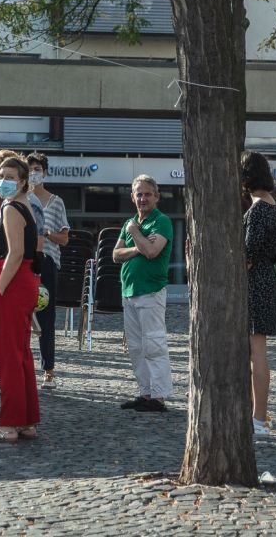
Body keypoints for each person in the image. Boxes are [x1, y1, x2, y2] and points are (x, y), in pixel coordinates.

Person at [0, 153, 40, 443]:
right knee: (20, 354)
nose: (3, 181)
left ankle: (10, 424)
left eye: (10, 177)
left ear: (23, 181)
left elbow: (15, 254)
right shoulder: (19, 205)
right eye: (1, 176)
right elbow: (12, 244)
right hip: (21, 281)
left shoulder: (12, 206)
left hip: (11, 282)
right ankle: (25, 420)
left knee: (8, 357)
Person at [113, 174, 173, 414]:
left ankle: (159, 397)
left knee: (154, 344)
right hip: (129, 291)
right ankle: (145, 393)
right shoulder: (129, 222)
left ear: (157, 197)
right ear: (132, 197)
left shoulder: (161, 221)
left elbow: (152, 251)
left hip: (151, 291)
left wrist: (135, 235)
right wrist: (138, 245)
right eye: (139, 194)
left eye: (148, 194)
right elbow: (115, 255)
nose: (143, 198)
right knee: (137, 347)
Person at [241, 153, 276, 439]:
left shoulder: (259, 208)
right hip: (266, 280)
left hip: (256, 282)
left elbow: (249, 253)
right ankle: (258, 414)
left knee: (258, 353)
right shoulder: (271, 204)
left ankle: (258, 417)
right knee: (257, 352)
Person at [26, 153, 70, 385]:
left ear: (44, 171)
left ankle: (48, 368)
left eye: (37, 168)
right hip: (23, 261)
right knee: (22, 315)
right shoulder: (20, 199)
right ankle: (22, 367)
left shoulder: (56, 201)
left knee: (46, 315)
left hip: (47, 263)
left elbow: (65, 238)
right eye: (30, 168)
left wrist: (47, 234)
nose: (34, 172)